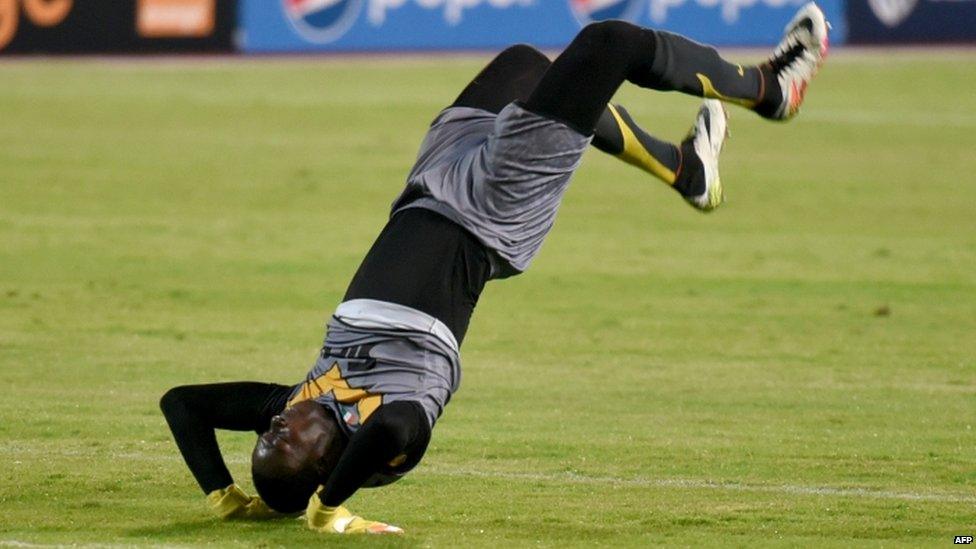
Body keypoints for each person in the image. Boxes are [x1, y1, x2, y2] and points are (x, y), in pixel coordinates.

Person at [160, 4, 829, 535]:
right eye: (285, 442)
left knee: (526, 66)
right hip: (489, 211)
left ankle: (685, 169)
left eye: (266, 434)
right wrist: (329, 507)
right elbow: (389, 433)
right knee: (609, 45)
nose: (274, 424)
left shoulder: (300, 402)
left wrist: (226, 497)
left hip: (427, 187)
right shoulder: (393, 423)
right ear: (327, 461)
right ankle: (770, 88)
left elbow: (182, 404)